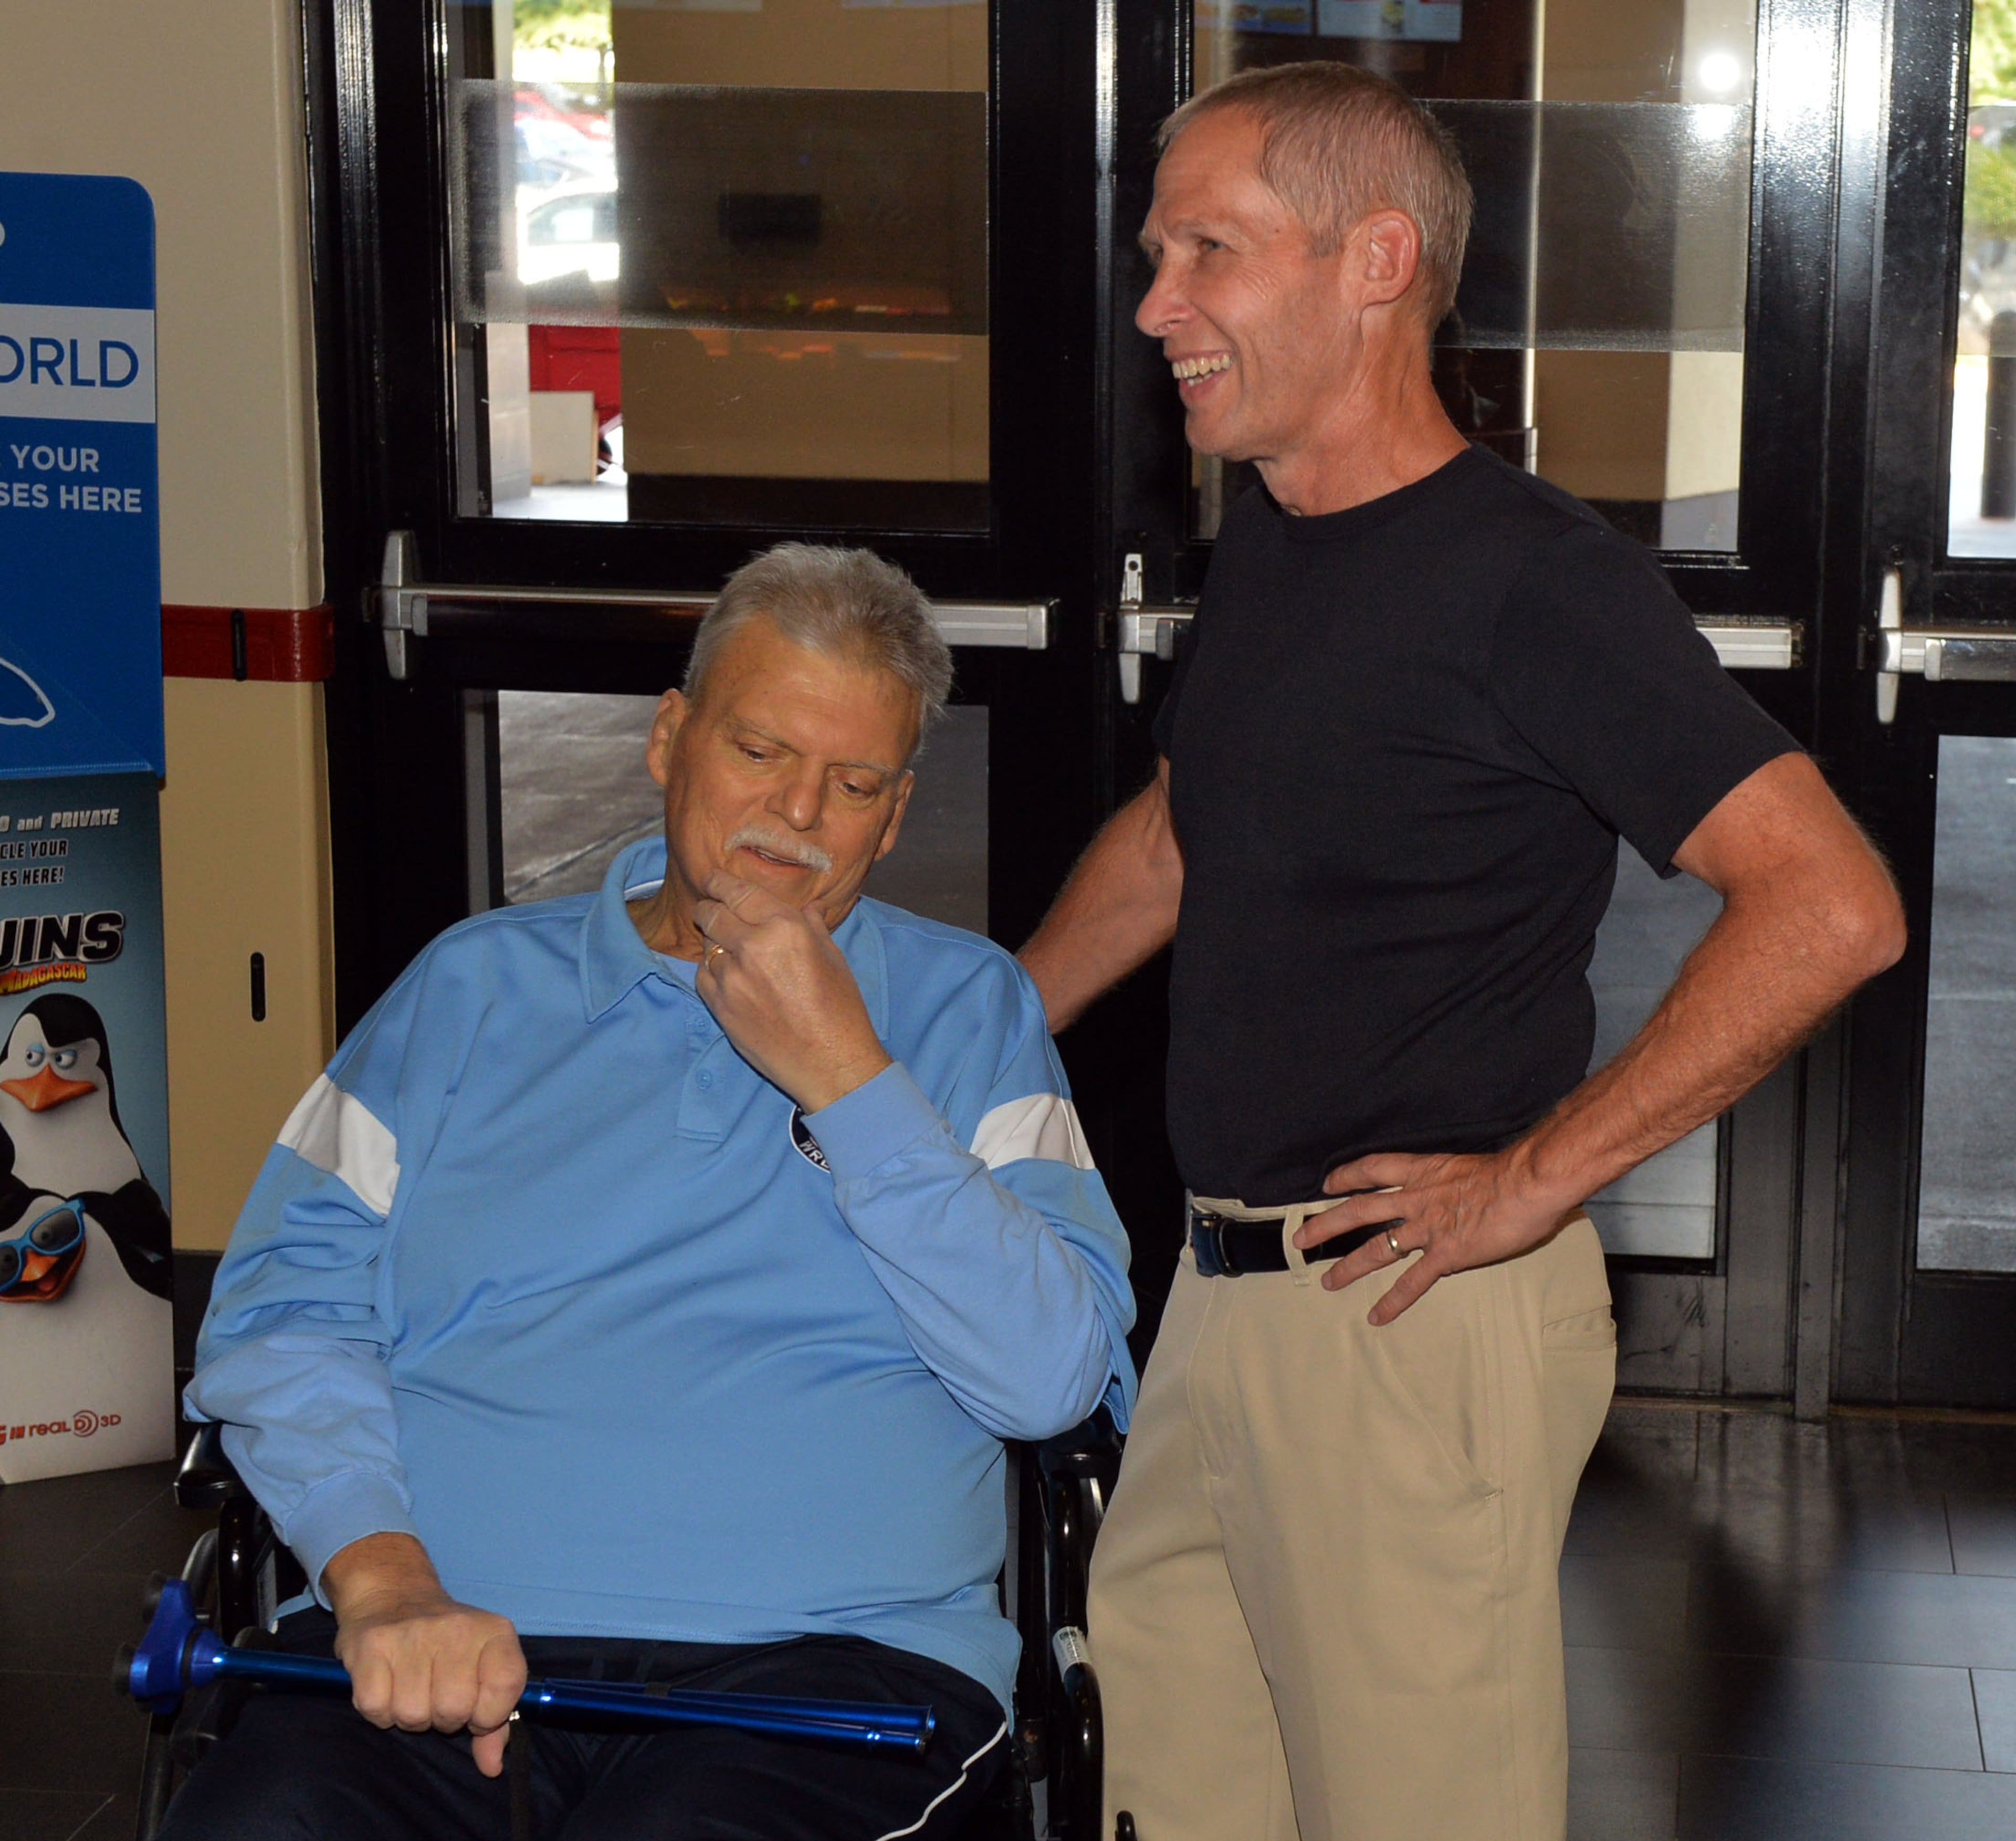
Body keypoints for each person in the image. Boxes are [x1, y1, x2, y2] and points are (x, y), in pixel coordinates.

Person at [1018, 61, 1905, 1841]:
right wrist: (979, 1020)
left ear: (1375, 261)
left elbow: (1833, 903)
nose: (1155, 305)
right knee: (1183, 1790)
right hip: (1217, 1296)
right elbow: (1192, 824)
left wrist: (1533, 1178)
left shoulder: (1531, 582)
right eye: (1154, 254)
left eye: (1208, 249)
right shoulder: (1273, 529)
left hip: (1405, 1328)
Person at [170, 543, 1137, 1841]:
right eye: (757, 751)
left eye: (852, 785)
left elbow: (1049, 1378)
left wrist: (851, 1082)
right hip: (441, 1640)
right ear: (668, 739)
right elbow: (282, 1314)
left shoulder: (968, 1011)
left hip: (835, 1677)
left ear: (897, 817)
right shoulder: (467, 991)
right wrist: (381, 1575)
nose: (795, 814)